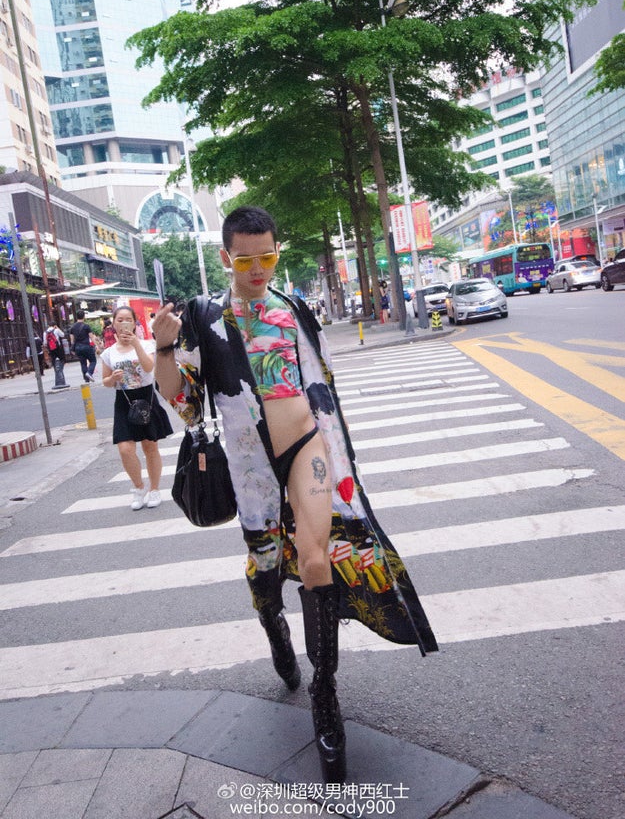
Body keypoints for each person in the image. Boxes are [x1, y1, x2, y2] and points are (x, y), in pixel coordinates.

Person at [153, 206, 437, 783]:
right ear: (226, 257)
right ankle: (274, 629)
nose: (258, 269)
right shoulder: (204, 319)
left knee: (315, 559)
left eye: (268, 257)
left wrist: (339, 458)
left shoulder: (292, 308)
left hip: (306, 448)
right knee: (264, 575)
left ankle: (324, 696)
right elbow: (182, 403)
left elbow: (323, 387)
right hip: (254, 471)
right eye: (245, 259)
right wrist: (161, 349)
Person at [101, 306, 173, 511]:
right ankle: (138, 488)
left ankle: (155, 489)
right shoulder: (108, 353)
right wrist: (111, 378)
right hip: (124, 400)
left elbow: (150, 367)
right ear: (113, 324)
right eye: (120, 320)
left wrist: (136, 345)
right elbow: (105, 382)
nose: (124, 323)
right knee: (125, 449)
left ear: (134, 323)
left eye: (128, 319)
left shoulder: (146, 345)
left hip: (146, 396)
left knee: (150, 447)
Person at [70, 310, 97, 382]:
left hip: (78, 347)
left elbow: (72, 340)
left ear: (76, 317)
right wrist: (95, 345)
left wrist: (73, 348)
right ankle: (89, 373)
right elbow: (91, 337)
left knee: (83, 363)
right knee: (93, 360)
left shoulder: (72, 327)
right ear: (84, 316)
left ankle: (86, 379)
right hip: (86, 346)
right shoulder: (86, 326)